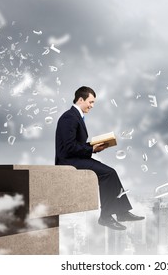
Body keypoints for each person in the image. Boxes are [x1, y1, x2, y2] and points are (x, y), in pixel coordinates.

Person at [55, 86, 144, 230]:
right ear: (80, 99)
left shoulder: (75, 116)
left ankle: (121, 212)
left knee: (111, 172)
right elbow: (69, 147)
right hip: (68, 161)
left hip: (75, 158)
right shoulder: (69, 117)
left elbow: (75, 144)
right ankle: (105, 217)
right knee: (108, 173)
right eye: (90, 102)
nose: (92, 106)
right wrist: (91, 148)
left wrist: (94, 146)